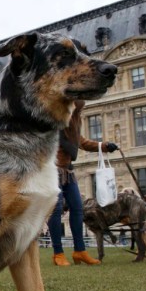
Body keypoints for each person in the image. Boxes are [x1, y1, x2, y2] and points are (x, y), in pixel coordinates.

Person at [49, 100, 119, 266]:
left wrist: (104, 146)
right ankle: (57, 253)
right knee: (56, 209)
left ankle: (80, 251)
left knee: (77, 208)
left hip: (68, 172)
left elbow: (81, 142)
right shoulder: (53, 120)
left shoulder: (72, 124)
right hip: (52, 171)